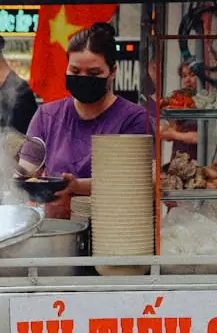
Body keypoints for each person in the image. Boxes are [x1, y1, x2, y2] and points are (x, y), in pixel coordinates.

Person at [20, 22, 151, 218]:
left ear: (113, 72)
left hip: (115, 229)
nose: (83, 78)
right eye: (75, 71)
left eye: (94, 73)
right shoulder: (47, 116)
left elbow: (142, 178)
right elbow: (27, 171)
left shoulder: (133, 118)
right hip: (59, 230)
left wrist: (77, 186)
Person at [159, 60, 200, 161]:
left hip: (198, 162)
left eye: (192, 75)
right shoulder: (179, 100)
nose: (187, 80)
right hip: (179, 160)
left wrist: (173, 134)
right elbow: (174, 131)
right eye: (184, 76)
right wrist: (166, 130)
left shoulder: (205, 103)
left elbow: (201, 138)